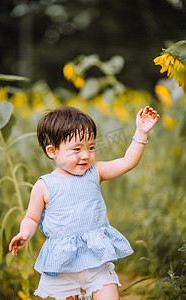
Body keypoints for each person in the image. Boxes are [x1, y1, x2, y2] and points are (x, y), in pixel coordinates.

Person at [9, 105, 160, 300]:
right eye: (76, 149)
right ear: (52, 151)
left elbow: (127, 162)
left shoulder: (95, 172)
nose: (86, 155)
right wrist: (25, 233)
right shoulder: (44, 185)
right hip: (61, 265)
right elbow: (31, 217)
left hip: (96, 259)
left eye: (91, 147)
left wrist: (141, 132)